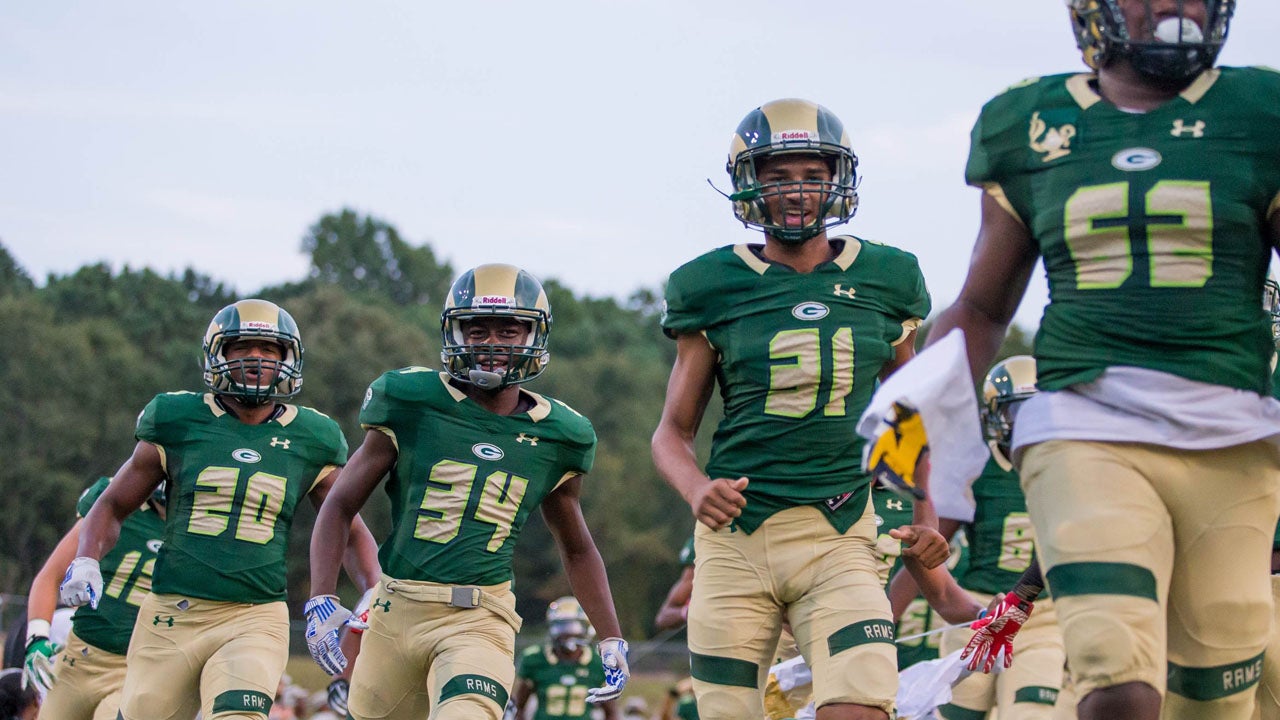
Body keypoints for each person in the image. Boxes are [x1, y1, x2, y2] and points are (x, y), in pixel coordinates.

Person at [924, 2, 1280, 718]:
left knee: (1212, 698)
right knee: (1118, 684)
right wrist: (915, 423)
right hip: (1085, 422)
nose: (1179, 7)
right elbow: (983, 309)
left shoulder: (1261, 112)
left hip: (1234, 433)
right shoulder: (1030, 122)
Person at [651, 97, 932, 720]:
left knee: (861, 703)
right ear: (749, 185)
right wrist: (696, 487)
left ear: (837, 180)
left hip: (841, 533)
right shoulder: (709, 285)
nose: (797, 191)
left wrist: (926, 511)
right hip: (734, 541)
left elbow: (907, 411)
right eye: (777, 177)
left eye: (812, 175)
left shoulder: (889, 277)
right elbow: (672, 433)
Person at [305, 263, 629, 720]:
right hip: (397, 607)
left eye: (509, 330)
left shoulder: (562, 435)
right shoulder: (412, 401)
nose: (493, 343)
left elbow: (577, 549)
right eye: (477, 330)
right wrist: (321, 595)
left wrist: (611, 635)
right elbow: (339, 505)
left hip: (483, 616)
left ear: (534, 337)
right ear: (454, 333)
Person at [58, 298, 380, 720]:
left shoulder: (313, 435)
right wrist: (86, 558)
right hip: (173, 610)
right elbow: (113, 505)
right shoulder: (177, 418)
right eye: (242, 347)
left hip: (255, 615)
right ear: (217, 355)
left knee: (238, 715)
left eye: (269, 350)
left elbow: (347, 523)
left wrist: (373, 590)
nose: (256, 358)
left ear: (288, 360)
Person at [927, 356, 1066, 720]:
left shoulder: (1067, 464)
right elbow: (932, 547)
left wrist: (1020, 602)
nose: (1027, 423)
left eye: (1037, 410)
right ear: (995, 414)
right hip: (978, 610)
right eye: (1017, 411)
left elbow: (1062, 544)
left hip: (1042, 619)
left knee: (1031, 714)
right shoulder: (975, 465)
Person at [24, 475, 166, 719]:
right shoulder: (116, 497)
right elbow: (50, 576)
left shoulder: (199, 519)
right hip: (78, 659)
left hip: (135, 667)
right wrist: (36, 637)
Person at [510, 597, 618, 720]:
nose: (567, 633)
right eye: (561, 626)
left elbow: (611, 713)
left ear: (585, 628)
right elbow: (519, 707)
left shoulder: (598, 663)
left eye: (574, 626)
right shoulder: (535, 659)